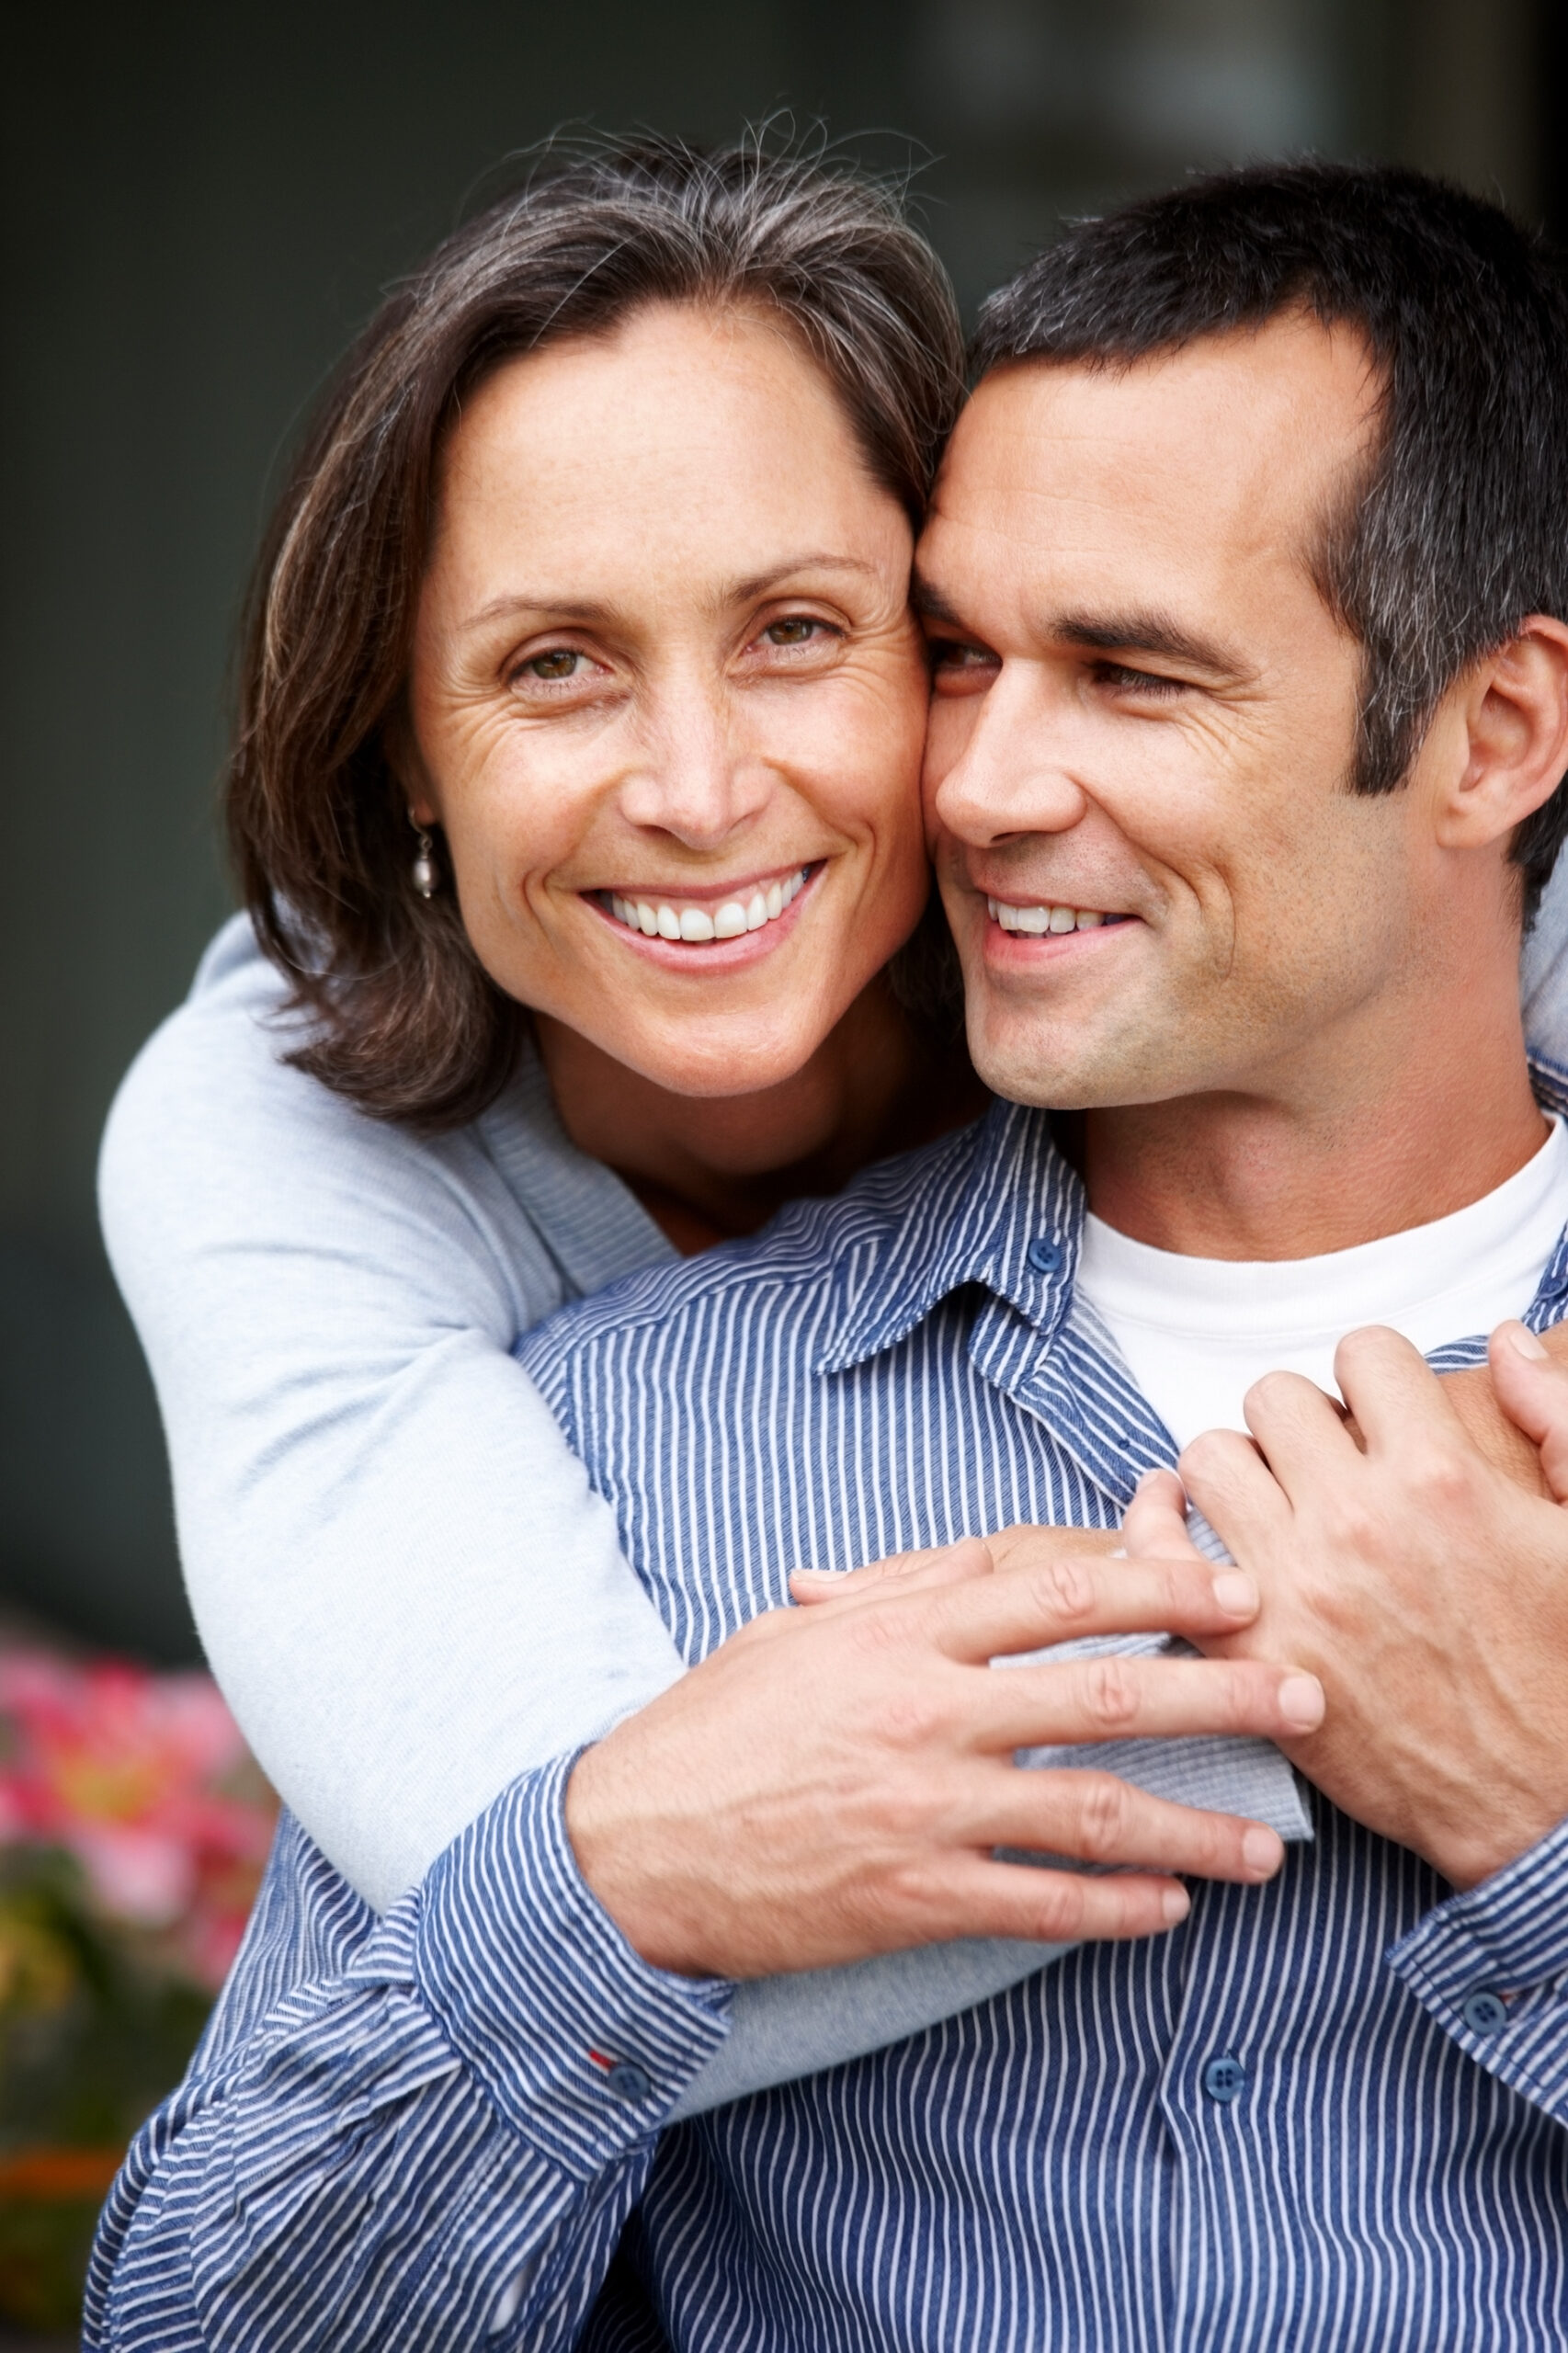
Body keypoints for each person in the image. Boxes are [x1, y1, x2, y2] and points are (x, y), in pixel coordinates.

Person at [90, 158, 1568, 2349]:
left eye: (1132, 671)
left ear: (1496, 734)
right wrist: (613, 1885)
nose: (978, 783)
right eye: (964, 659)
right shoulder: (595, 1455)